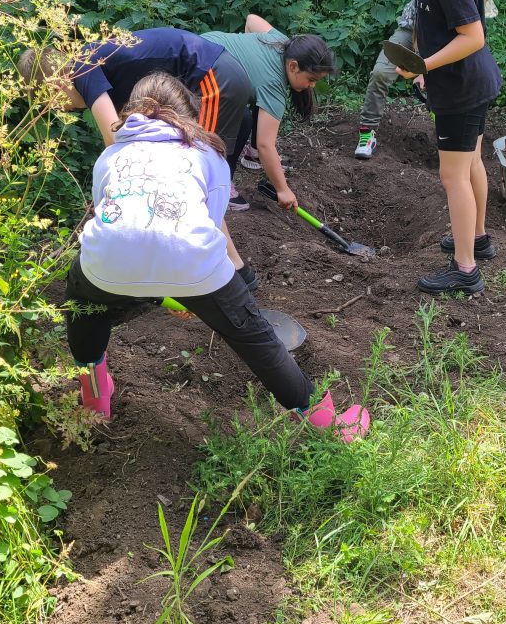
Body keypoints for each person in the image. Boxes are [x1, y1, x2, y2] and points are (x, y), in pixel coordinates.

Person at [64, 73, 369, 442]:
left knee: (84, 307)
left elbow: (118, 223)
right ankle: (328, 424)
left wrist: (160, 291)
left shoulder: (111, 154)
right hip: (195, 264)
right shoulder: (207, 154)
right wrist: (187, 288)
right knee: (257, 339)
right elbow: (207, 224)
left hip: (105, 267)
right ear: (188, 115)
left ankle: (95, 399)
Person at [19, 26, 259, 286]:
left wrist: (114, 190)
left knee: (195, 173)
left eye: (53, 101)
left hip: (213, 77)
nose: (60, 108)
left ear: (56, 83)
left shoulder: (82, 69)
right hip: (215, 74)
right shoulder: (102, 68)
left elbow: (115, 140)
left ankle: (233, 271)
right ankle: (222, 267)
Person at [374, 0, 502, 296]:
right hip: (470, 81)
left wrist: (423, 64)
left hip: (462, 88)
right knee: (471, 164)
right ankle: (477, 239)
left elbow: (473, 35)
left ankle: (464, 270)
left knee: (453, 176)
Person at [354, 0, 499, 160]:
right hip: (412, 30)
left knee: (451, 82)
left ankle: (451, 137)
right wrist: (421, 68)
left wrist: (428, 69)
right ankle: (367, 132)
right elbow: (419, 32)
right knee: (381, 72)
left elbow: (471, 40)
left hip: (445, 39)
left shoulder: (469, 7)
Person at [200, 16, 335, 210]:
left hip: (204, 44)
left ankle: (251, 154)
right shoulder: (273, 84)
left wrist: (248, 59)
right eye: (311, 79)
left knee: (245, 104)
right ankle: (221, 186)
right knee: (241, 120)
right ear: (293, 66)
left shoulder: (281, 42)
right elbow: (266, 144)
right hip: (200, 69)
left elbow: (251, 20)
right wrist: (282, 189)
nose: (312, 86)